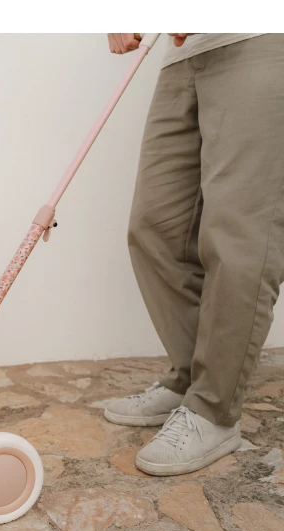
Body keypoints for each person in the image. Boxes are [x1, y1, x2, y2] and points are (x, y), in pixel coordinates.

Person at [103, 33, 283, 475]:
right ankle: (190, 380)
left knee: (238, 234)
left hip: (260, 37)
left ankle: (214, 409)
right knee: (156, 227)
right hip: (184, 51)